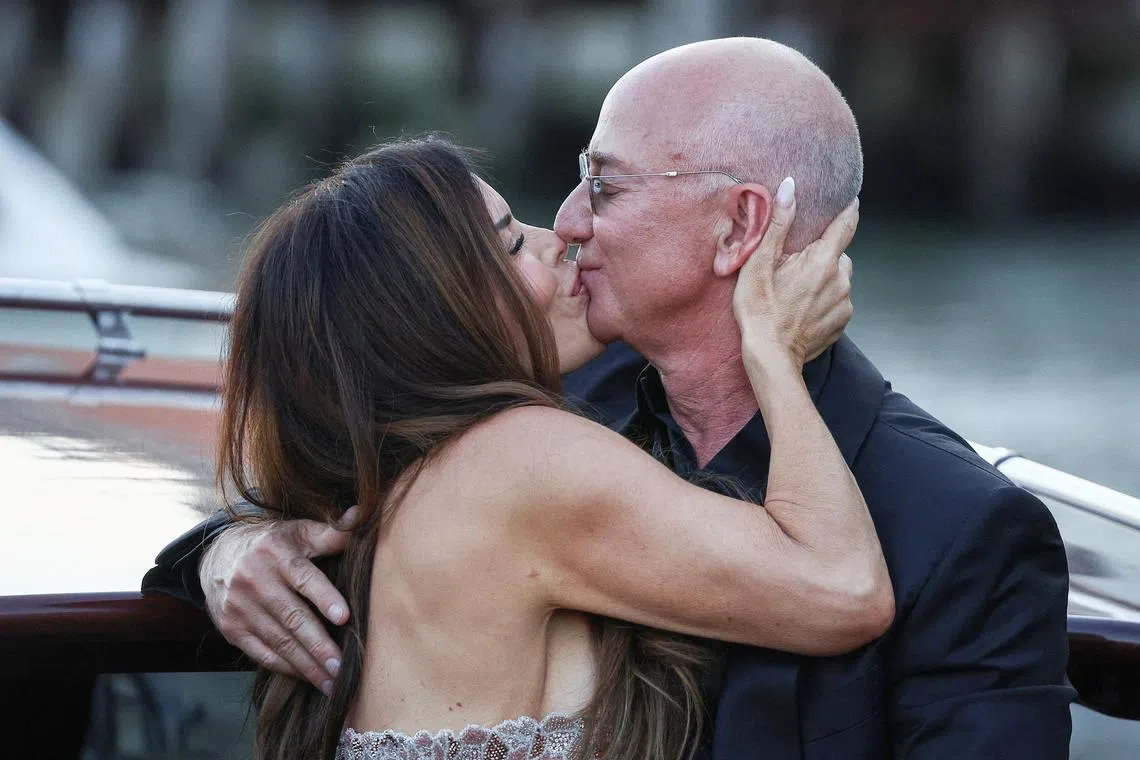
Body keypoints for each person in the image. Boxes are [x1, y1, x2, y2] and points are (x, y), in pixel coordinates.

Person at [146, 37, 1074, 759]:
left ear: (739, 227)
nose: (568, 223)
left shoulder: (960, 524)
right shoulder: (545, 419)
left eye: (604, 183)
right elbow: (351, 441)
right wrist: (229, 549)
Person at [185, 134, 888, 760]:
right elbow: (844, 590)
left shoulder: (395, 475)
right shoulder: (518, 460)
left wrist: (232, 541)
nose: (558, 237)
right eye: (514, 244)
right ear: (438, 315)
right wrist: (773, 350)